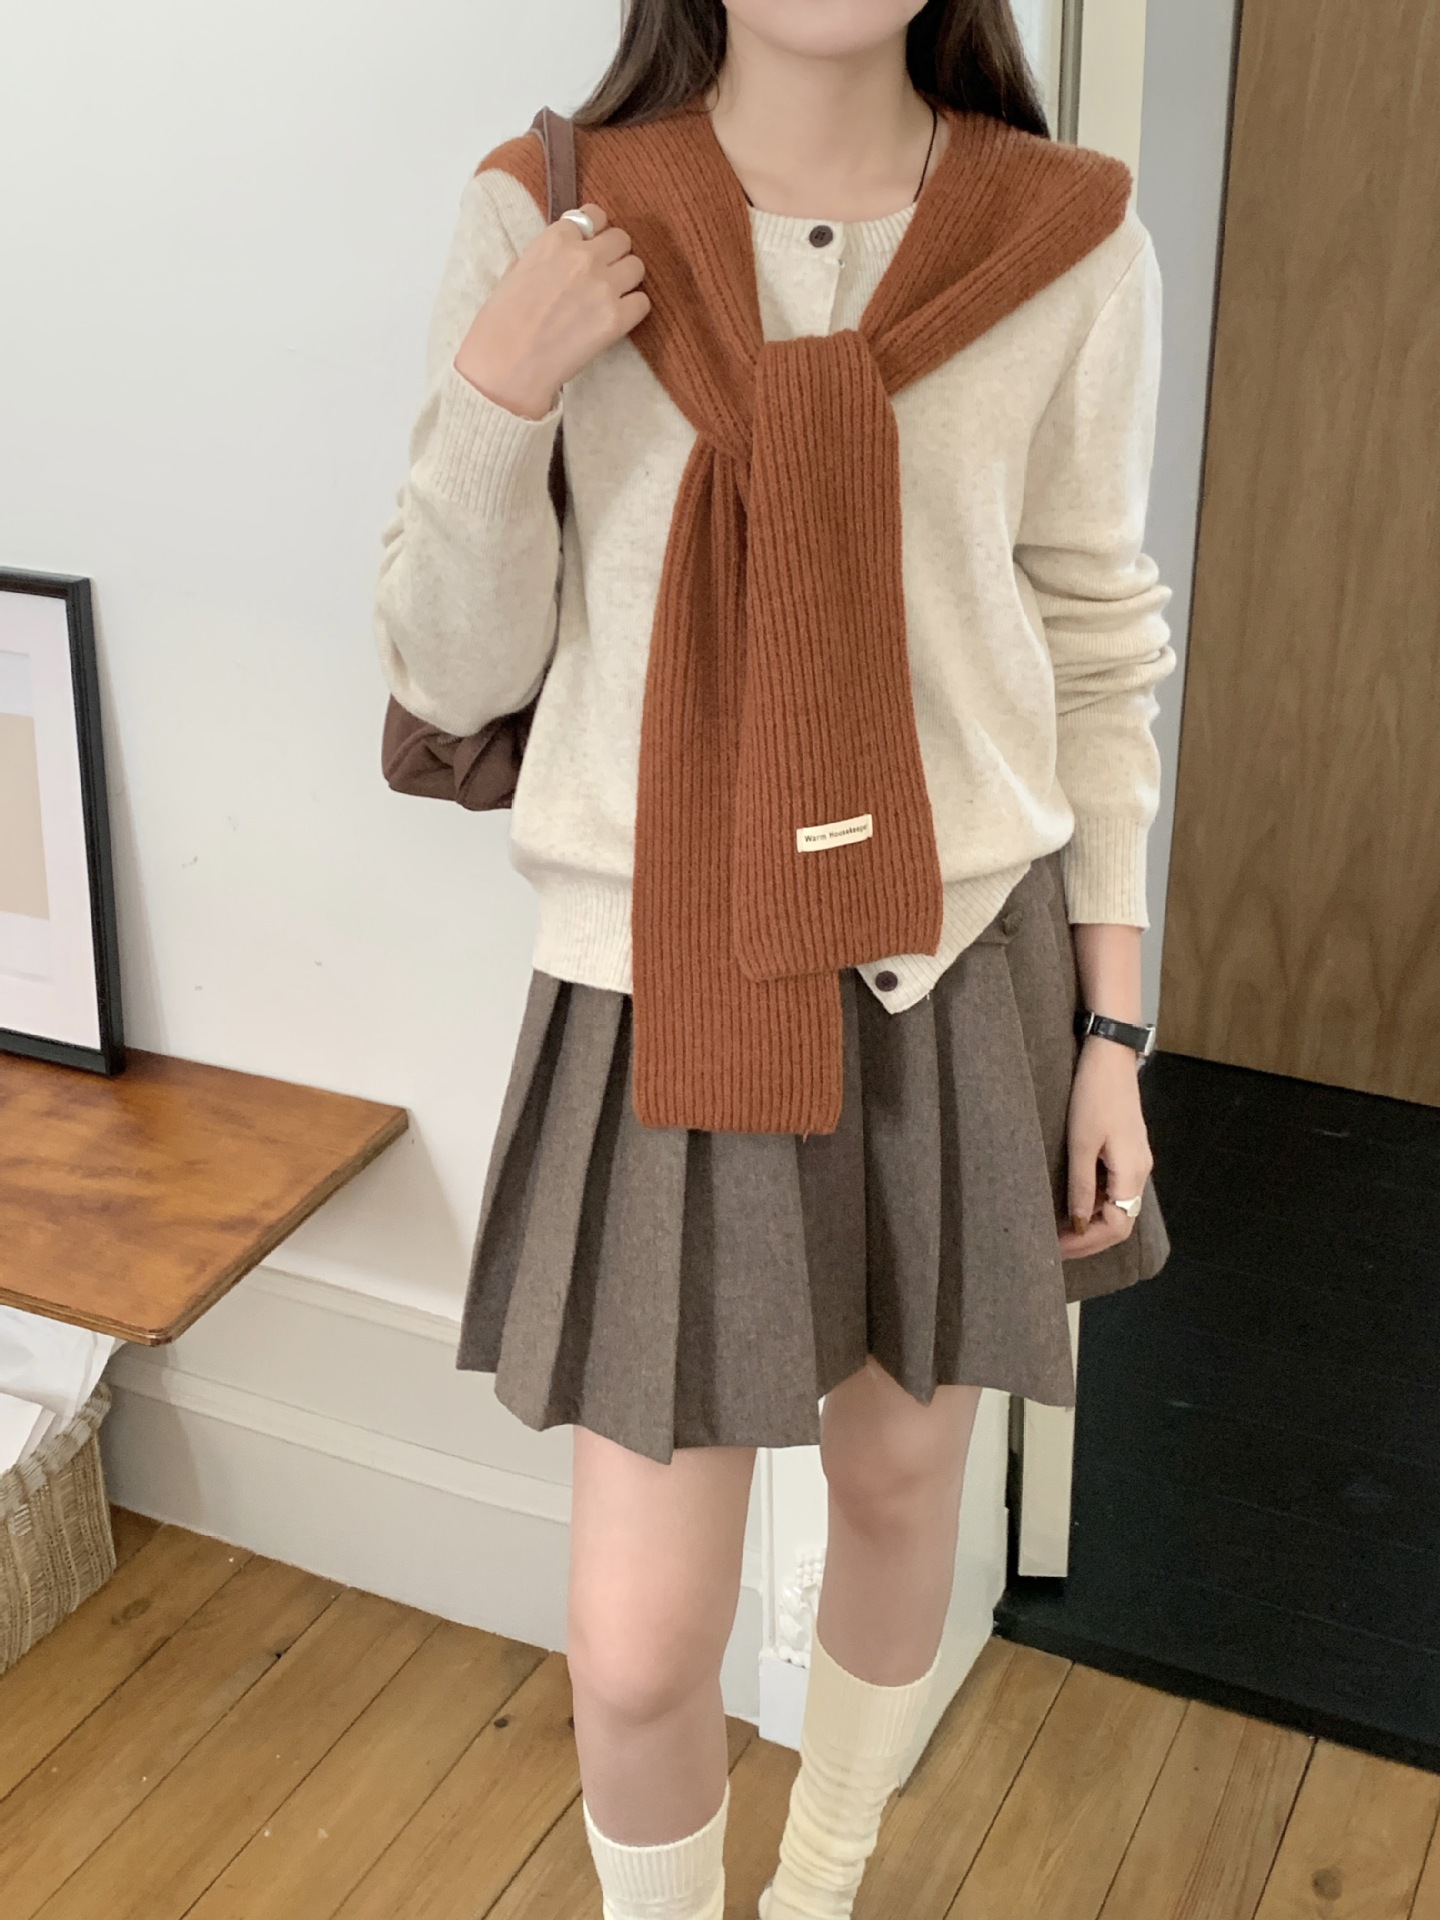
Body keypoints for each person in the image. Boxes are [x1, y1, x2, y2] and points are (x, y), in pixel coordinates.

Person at [374, 1, 1176, 1913]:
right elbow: (452, 676)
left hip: (958, 965)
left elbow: (1095, 643)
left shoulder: (1066, 238)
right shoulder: (549, 216)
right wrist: (501, 390)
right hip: (665, 983)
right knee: (640, 1643)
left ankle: (819, 1890)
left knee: (900, 1494)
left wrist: (1114, 1027)